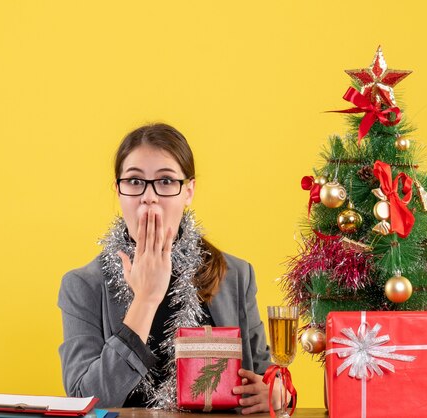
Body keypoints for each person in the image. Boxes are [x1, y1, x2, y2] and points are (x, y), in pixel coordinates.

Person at [58, 123, 281, 413]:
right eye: (135, 182)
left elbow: (269, 377)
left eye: (165, 181)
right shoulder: (83, 285)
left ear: (188, 191)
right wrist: (146, 300)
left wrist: (276, 393)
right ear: (119, 191)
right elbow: (83, 401)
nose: (148, 196)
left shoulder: (235, 275)